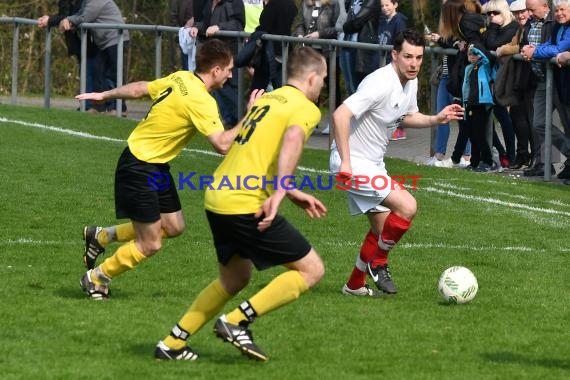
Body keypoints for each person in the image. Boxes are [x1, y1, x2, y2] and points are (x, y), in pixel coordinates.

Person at [154, 46, 328, 361]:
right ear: (312, 78)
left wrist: (288, 191)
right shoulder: (305, 108)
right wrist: (281, 190)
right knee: (311, 269)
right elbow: (291, 139)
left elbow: (259, 155)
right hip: (244, 203)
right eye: (324, 79)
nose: (323, 86)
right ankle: (236, 321)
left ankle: (172, 343)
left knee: (234, 278)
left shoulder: (269, 100)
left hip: (218, 197)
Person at [75, 39, 261, 300]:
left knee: (174, 226)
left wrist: (105, 94)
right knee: (150, 243)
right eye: (229, 69)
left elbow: (141, 88)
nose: (231, 75)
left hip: (155, 166)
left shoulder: (181, 78)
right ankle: (96, 278)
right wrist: (250, 115)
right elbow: (222, 144)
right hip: (139, 167)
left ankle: (102, 235)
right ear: (216, 70)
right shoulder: (202, 101)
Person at [330, 30, 464, 296]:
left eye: (419, 57)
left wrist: (435, 119)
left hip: (372, 163)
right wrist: (345, 162)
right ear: (394, 55)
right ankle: (378, 264)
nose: (413, 63)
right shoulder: (380, 82)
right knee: (407, 205)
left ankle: (354, 285)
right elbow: (340, 114)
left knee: (382, 229)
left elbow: (407, 116)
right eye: (407, 57)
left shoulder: (409, 81)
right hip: (354, 162)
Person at [521, 0, 570, 179]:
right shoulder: (555, 26)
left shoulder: (556, 24)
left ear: (544, 7)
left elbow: (558, 48)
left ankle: (551, 164)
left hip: (558, 81)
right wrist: (534, 50)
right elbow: (550, 46)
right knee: (539, 123)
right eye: (557, 10)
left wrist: (536, 52)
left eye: (562, 9)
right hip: (542, 80)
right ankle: (549, 163)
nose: (559, 14)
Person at [426, 0, 473, 168]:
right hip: (446, 76)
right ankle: (439, 155)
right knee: (442, 117)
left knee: (462, 118)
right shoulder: (449, 27)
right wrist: (438, 39)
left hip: (458, 78)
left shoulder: (465, 25)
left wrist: (441, 40)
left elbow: (459, 45)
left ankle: (466, 156)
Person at [63, 0, 130, 116]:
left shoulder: (97, 1)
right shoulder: (87, 2)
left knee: (114, 75)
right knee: (104, 75)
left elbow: (85, 17)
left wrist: (68, 20)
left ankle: (119, 107)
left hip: (115, 40)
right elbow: (81, 14)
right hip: (106, 42)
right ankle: (109, 107)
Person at [495, 0, 537, 169]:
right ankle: (522, 156)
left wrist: (503, 49)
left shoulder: (533, 27)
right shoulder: (519, 28)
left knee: (532, 121)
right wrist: (506, 47)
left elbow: (519, 47)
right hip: (520, 80)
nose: (520, 15)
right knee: (517, 118)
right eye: (517, 13)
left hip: (533, 80)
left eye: (523, 11)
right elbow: (514, 45)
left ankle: (536, 157)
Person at [191, 0, 245, 127]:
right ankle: (229, 123)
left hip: (229, 52)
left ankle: (243, 121)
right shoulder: (209, 3)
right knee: (217, 88)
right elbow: (205, 23)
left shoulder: (234, 2)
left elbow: (238, 24)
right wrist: (196, 27)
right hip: (214, 53)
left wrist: (220, 27)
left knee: (229, 88)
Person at [37, 0, 100, 111]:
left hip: (93, 40)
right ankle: (88, 105)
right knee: (86, 71)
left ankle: (94, 105)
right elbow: (65, 15)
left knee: (93, 71)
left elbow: (75, 15)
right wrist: (50, 19)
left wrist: (50, 20)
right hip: (80, 41)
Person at [376, 0, 408, 141]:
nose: (384, 8)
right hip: (383, 61)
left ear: (395, 4)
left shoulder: (400, 21)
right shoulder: (383, 20)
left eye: (387, 5)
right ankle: (387, 127)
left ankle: (399, 128)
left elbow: (400, 42)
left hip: (394, 63)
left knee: (396, 96)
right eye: (382, 5)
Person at [340, 0, 380, 96]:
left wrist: (345, 27)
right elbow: (347, 12)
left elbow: (358, 22)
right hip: (347, 44)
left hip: (361, 48)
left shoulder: (372, 1)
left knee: (359, 87)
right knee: (350, 86)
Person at [170, 0, 196, 70]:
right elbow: (173, 16)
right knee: (187, 69)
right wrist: (179, 33)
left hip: (202, 37)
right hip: (185, 38)